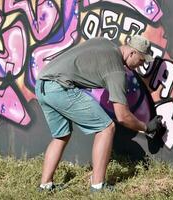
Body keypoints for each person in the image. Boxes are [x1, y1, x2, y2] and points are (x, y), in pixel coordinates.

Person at [35, 35, 163, 192]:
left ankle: (45, 185)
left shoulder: (103, 42)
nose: (139, 65)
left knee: (61, 135)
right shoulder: (116, 70)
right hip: (61, 87)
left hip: (42, 84)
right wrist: (146, 127)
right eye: (141, 60)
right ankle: (98, 186)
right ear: (132, 53)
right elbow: (122, 116)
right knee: (106, 128)